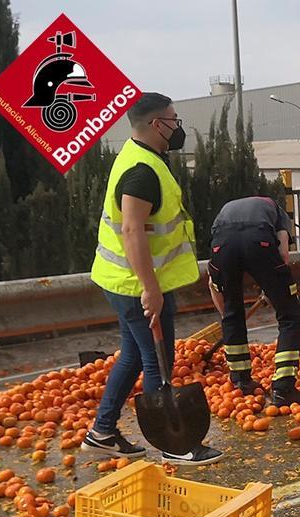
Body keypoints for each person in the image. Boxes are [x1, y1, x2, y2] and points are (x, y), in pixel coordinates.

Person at [82, 92, 223, 466]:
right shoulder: (142, 171)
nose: (179, 127)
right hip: (135, 284)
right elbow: (132, 231)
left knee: (133, 354)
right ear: (157, 125)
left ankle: (102, 432)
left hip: (127, 279)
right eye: (174, 120)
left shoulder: (142, 157)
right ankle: (174, 444)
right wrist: (150, 290)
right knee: (156, 361)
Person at [207, 196, 300, 405]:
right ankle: (283, 388)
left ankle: (240, 382)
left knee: (231, 314)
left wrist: (228, 318)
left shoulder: (226, 209)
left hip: (222, 246)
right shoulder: (278, 212)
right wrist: (274, 288)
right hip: (259, 240)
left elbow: (213, 282)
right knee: (289, 316)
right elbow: (282, 254)